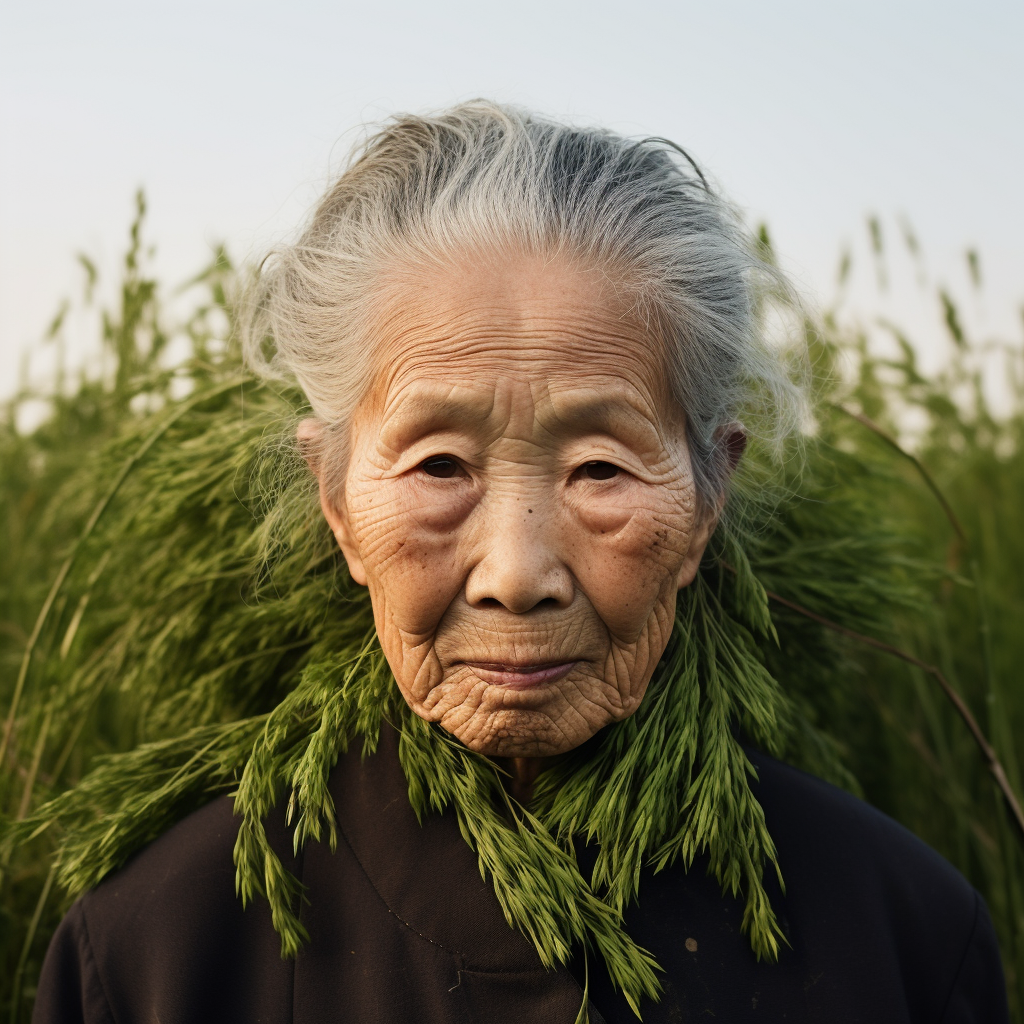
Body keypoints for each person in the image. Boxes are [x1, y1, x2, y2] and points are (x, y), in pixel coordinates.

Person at [33, 102, 1008, 1023]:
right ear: (335, 498)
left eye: (598, 468)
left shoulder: (903, 939)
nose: (516, 573)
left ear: (709, 494)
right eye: (440, 463)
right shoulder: (153, 956)